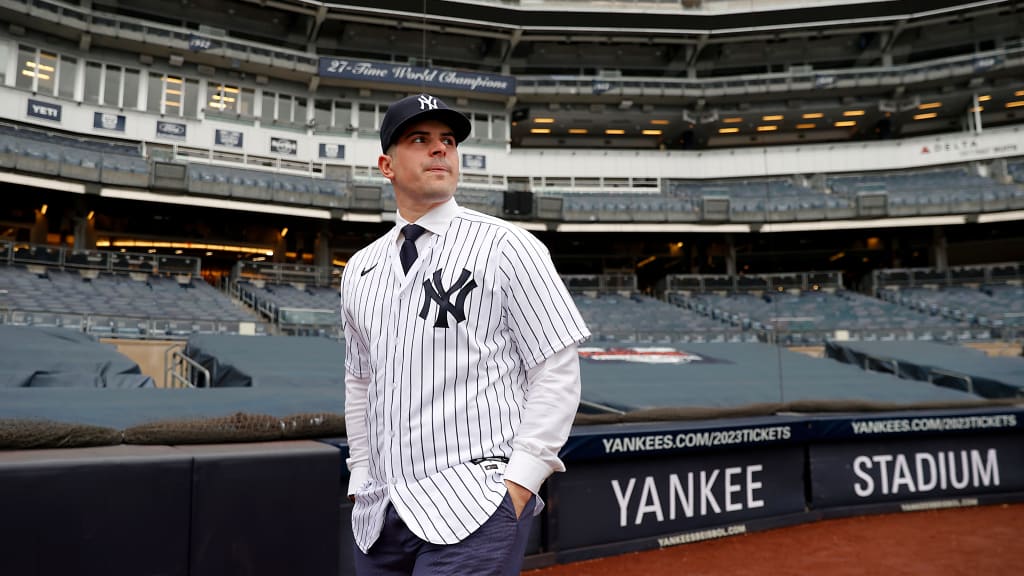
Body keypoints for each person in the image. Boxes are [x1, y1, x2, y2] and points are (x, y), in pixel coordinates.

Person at [340, 93, 590, 575]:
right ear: (386, 165)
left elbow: (556, 372)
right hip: (380, 515)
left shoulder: (508, 245)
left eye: (448, 140)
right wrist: (360, 476)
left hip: (474, 504)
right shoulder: (360, 269)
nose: (440, 150)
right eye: (420, 139)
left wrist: (521, 483)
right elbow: (361, 383)